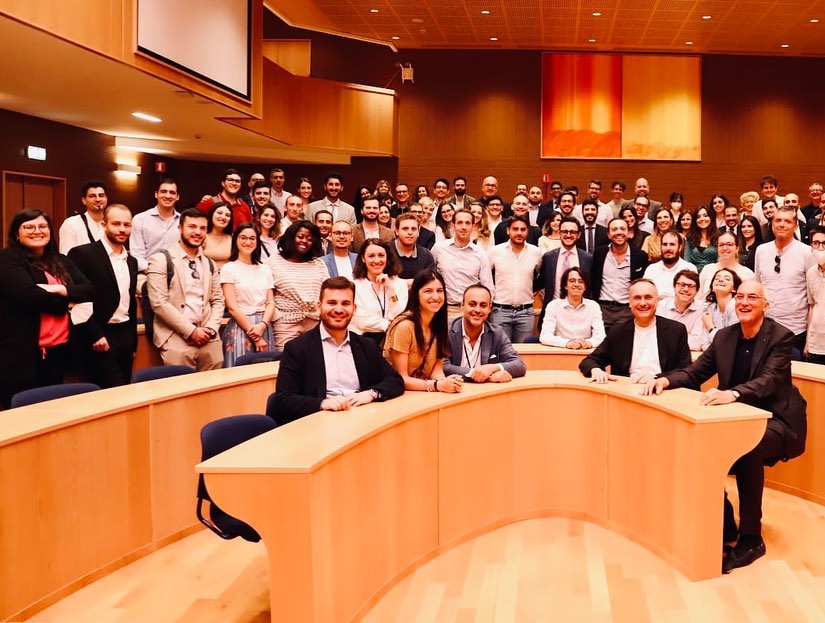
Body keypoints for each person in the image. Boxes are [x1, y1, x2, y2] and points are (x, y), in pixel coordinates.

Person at [643, 280, 807, 573]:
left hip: (776, 420)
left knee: (748, 448)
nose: (744, 302)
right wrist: (665, 380)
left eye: (752, 297)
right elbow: (695, 373)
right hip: (734, 419)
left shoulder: (781, 337)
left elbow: (769, 380)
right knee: (697, 444)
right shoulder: (724, 336)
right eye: (739, 297)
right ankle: (726, 522)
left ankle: (752, 538)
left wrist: (732, 393)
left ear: (765, 305)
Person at [269, 276, 405, 425]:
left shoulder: (367, 346)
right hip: (319, 424)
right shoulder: (297, 348)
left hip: (362, 421)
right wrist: (322, 403)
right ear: (319, 307)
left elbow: (395, 380)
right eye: (332, 303)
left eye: (345, 303)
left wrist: (371, 394)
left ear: (354, 309)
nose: (339, 309)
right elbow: (283, 400)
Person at [0, 209, 94, 407]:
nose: (37, 231)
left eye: (42, 226)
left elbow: (88, 289)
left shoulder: (60, 260)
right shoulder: (8, 259)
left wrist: (59, 289)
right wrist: (64, 303)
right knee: (21, 411)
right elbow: (28, 295)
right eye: (29, 227)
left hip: (58, 350)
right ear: (17, 233)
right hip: (21, 352)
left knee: (53, 409)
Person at [67, 204, 138, 388]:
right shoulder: (82, 254)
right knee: (108, 392)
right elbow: (75, 300)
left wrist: (133, 343)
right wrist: (95, 335)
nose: (122, 229)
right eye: (116, 224)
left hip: (124, 333)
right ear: (104, 225)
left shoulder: (132, 261)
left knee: (125, 389)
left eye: (127, 225)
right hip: (98, 334)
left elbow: (129, 301)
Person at [146, 208, 225, 371]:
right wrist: (191, 331)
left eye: (202, 228)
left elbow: (218, 300)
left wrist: (210, 329)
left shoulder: (209, 263)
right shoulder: (160, 260)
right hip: (176, 336)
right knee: (182, 385)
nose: (197, 232)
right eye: (192, 227)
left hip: (208, 337)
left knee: (215, 385)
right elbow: (159, 303)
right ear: (180, 228)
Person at [579, 279, 691, 384]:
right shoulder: (618, 332)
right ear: (630, 303)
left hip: (663, 390)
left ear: (657, 301)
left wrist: (657, 378)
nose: (642, 303)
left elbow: (685, 370)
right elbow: (590, 361)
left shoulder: (676, 330)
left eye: (648, 297)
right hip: (626, 390)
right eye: (637, 298)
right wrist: (596, 370)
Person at [384, 269, 464, 393]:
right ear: (416, 295)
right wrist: (437, 385)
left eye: (440, 291)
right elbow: (401, 378)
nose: (435, 297)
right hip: (396, 394)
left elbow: (436, 371)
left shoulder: (439, 325)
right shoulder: (404, 326)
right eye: (428, 291)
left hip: (423, 394)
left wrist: (446, 382)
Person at [754, 205, 814, 354]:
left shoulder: (807, 252)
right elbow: (758, 288)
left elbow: (812, 299)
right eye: (778, 220)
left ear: (795, 226)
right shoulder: (761, 251)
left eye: (787, 221)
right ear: (772, 224)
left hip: (795, 329)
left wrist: (809, 338)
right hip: (765, 327)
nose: (781, 224)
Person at [267, 220, 330, 349]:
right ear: (291, 237)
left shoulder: (319, 263)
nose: (304, 241)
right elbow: (267, 293)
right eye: (300, 237)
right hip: (285, 323)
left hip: (314, 322)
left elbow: (327, 292)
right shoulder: (274, 261)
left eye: (309, 239)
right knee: (285, 358)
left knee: (313, 358)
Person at [443, 284, 526, 381]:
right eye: (472, 304)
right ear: (462, 305)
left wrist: (493, 368)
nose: (477, 310)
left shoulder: (497, 333)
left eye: (483, 305)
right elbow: (444, 366)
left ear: (489, 308)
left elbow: (519, 365)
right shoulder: (447, 332)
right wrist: (484, 376)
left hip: (487, 390)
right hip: (457, 388)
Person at [219, 223, 275, 367]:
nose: (248, 242)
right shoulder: (229, 268)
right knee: (239, 372)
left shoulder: (265, 269)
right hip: (241, 326)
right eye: (243, 238)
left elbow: (270, 303)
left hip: (263, 325)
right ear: (236, 240)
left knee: (265, 372)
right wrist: (255, 335)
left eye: (252, 238)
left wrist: (262, 325)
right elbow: (232, 307)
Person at [432, 209, 494, 322]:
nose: (464, 227)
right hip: (445, 310)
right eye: (460, 223)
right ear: (453, 225)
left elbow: (488, 287)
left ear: (473, 226)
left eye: (467, 223)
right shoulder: (439, 249)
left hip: (471, 312)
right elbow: (431, 278)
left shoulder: (481, 254)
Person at [590, 218, 650, 330]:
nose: (619, 232)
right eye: (614, 229)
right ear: (609, 235)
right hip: (602, 309)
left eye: (622, 229)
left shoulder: (640, 256)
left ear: (629, 233)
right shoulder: (599, 254)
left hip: (627, 311)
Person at [350, 239, 408, 343]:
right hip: (363, 340)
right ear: (363, 258)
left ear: (387, 257)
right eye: (371, 256)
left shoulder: (399, 284)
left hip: (394, 341)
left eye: (381, 255)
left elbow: (398, 313)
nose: (377, 261)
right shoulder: (355, 286)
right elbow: (360, 320)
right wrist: (386, 324)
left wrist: (390, 289)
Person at [540, 266, 605, 349]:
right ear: (565, 285)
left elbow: (601, 336)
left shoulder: (593, 306)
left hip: (585, 351)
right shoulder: (553, 306)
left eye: (581, 281)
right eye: (572, 281)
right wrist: (567, 343)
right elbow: (545, 336)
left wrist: (589, 343)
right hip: (561, 351)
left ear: (585, 287)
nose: (576, 284)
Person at [538, 217, 593, 305]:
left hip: (579, 308)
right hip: (554, 308)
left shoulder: (588, 259)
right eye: (564, 232)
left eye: (572, 232)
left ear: (578, 235)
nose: (568, 235)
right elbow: (541, 282)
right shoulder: (548, 257)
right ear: (559, 233)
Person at [130, 178, 181, 272]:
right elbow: (137, 255)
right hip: (148, 272)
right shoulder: (140, 219)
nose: (168, 196)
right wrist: (153, 272)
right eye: (163, 191)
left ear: (177, 197)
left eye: (172, 192)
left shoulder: (183, 221)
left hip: (178, 273)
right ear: (156, 194)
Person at [657, 269, 704, 351]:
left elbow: (696, 343)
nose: (686, 289)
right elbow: (656, 339)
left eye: (691, 286)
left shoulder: (701, 310)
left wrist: (668, 338)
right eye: (682, 285)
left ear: (697, 291)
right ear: (674, 287)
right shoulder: (660, 307)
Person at [697, 231, 754, 298]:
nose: (725, 248)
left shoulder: (747, 274)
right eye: (721, 245)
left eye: (729, 244)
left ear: (737, 248)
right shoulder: (707, 269)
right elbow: (699, 296)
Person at [643, 230, 697, 300]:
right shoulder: (651, 270)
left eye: (672, 244)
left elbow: (690, 297)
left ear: (680, 247)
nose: (668, 248)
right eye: (665, 244)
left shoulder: (689, 269)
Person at [58, 180, 107, 254]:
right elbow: (66, 255)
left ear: (106, 198)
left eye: (101, 195)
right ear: (84, 200)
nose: (98, 199)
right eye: (92, 196)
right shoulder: (71, 223)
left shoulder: (113, 224)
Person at [700, 267, 741, 350]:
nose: (720, 280)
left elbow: (731, 343)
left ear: (734, 289)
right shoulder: (710, 308)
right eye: (717, 278)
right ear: (712, 288)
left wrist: (710, 327)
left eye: (727, 279)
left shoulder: (736, 307)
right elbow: (704, 344)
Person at [391, 212, 435, 284]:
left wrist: (399, 283)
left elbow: (429, 283)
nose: (410, 232)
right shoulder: (385, 252)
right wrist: (417, 282)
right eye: (405, 229)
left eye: (413, 229)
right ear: (397, 231)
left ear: (418, 232)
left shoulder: (426, 255)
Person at [806, 226, 825, 364]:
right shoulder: (810, 273)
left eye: (824, 243)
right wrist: (808, 341)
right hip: (816, 343)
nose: (820, 248)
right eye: (816, 243)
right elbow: (812, 306)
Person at [683, 204, 719, 273]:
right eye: (698, 217)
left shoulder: (719, 237)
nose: (702, 219)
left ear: (711, 218)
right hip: (693, 275)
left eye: (705, 215)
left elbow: (720, 261)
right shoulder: (690, 238)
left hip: (714, 274)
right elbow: (687, 262)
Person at [202, 201, 233, 270]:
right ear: (211, 214)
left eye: (227, 215)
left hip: (227, 275)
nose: (223, 217)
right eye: (219, 213)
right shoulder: (202, 236)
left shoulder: (233, 238)